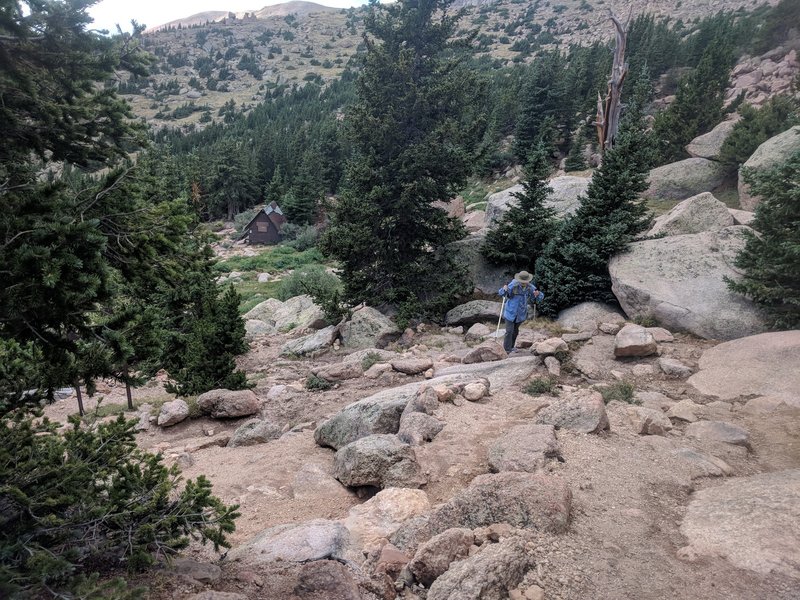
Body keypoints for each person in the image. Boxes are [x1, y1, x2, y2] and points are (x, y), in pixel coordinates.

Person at [498, 270, 544, 354]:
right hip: (510, 311)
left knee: (515, 331)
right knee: (509, 331)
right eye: (522, 281)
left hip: (520, 313)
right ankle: (506, 349)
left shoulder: (530, 287)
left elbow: (538, 297)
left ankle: (511, 347)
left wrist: (538, 294)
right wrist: (504, 289)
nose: (524, 283)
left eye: (525, 282)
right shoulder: (513, 284)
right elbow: (501, 293)